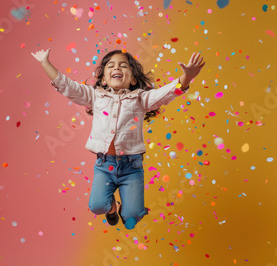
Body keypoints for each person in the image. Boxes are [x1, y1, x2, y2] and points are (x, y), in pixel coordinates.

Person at [32, 48, 205, 229]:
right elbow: (67, 86)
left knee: (132, 217)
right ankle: (113, 209)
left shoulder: (141, 99)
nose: (117, 68)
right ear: (104, 79)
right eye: (111, 66)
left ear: (133, 79)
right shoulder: (95, 96)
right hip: (105, 166)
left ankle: (127, 210)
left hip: (132, 168)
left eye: (124, 66)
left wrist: (186, 78)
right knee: (97, 206)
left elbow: (165, 94)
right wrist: (45, 63)